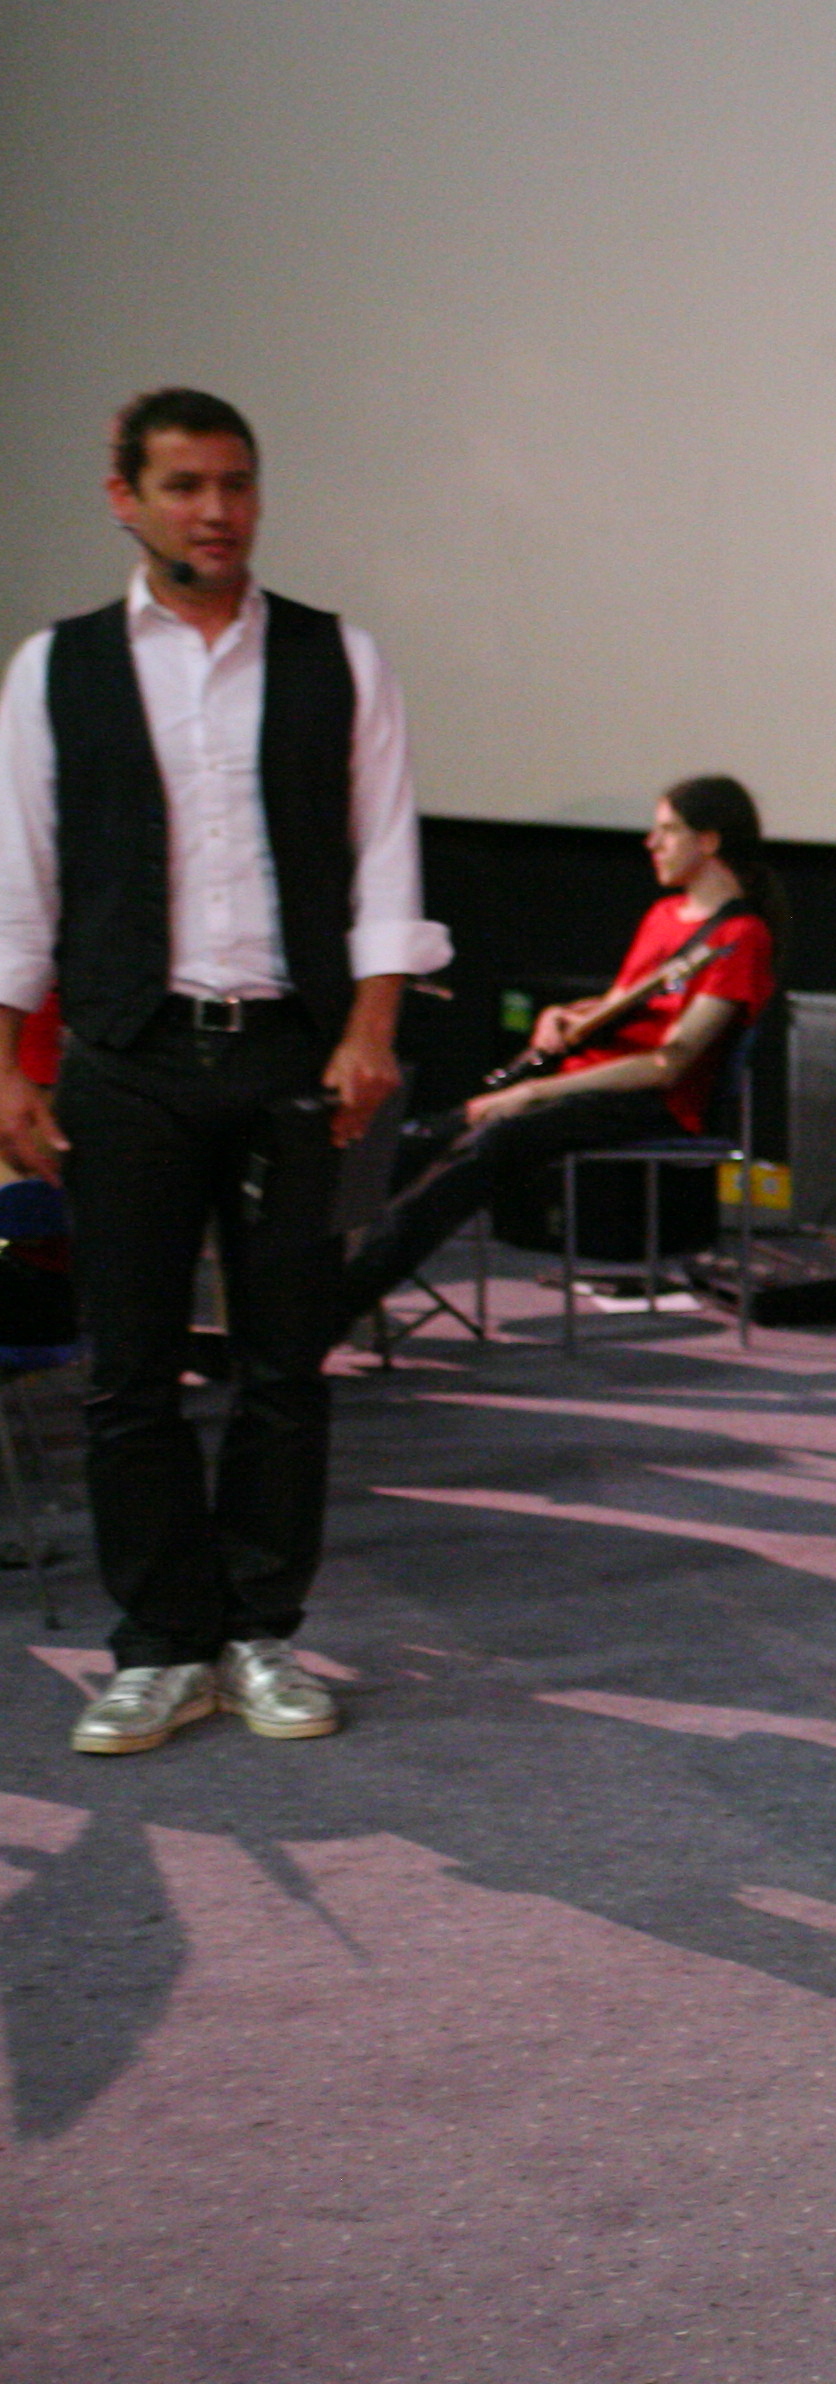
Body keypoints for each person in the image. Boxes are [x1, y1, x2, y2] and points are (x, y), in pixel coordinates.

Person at [0, 389, 450, 1754]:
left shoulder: (338, 657)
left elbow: (387, 857)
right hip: (125, 1057)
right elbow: (19, 881)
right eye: (186, 485)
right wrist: (6, 1069)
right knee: (128, 1372)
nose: (216, 511)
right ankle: (158, 1646)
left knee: (283, 1365)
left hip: (293, 1055)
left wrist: (370, 1028)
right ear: (125, 498)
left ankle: (258, 1632)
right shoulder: (55, 668)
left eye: (236, 484)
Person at [339, 774, 780, 1322]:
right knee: (419, 1140)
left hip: (649, 1102)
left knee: (489, 1142)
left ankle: (339, 1301)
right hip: (590, 1081)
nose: (652, 843)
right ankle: (315, 1274)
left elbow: (668, 1065)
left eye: (668, 831)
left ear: (709, 841)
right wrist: (565, 1015)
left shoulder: (741, 937)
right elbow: (620, 1004)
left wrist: (534, 1092)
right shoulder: (664, 916)